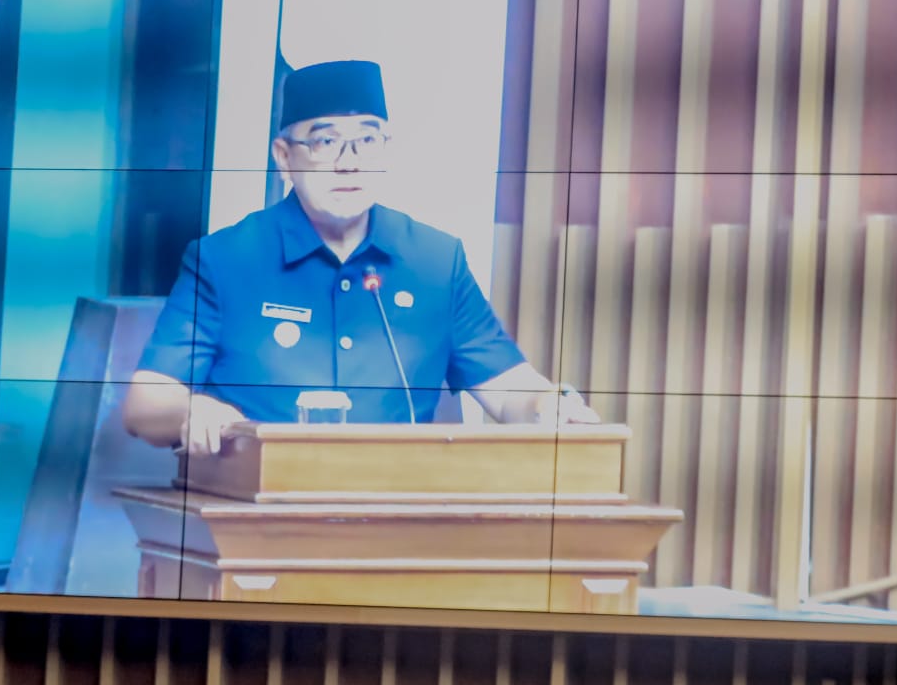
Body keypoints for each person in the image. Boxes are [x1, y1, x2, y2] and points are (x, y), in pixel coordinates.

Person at [124, 59, 597, 455]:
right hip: (254, 514)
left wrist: (549, 406)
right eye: (325, 142)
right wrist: (193, 410)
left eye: (367, 140)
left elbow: (511, 392)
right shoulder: (225, 259)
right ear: (284, 157)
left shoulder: (435, 261)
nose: (349, 162)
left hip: (397, 514)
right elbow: (145, 404)